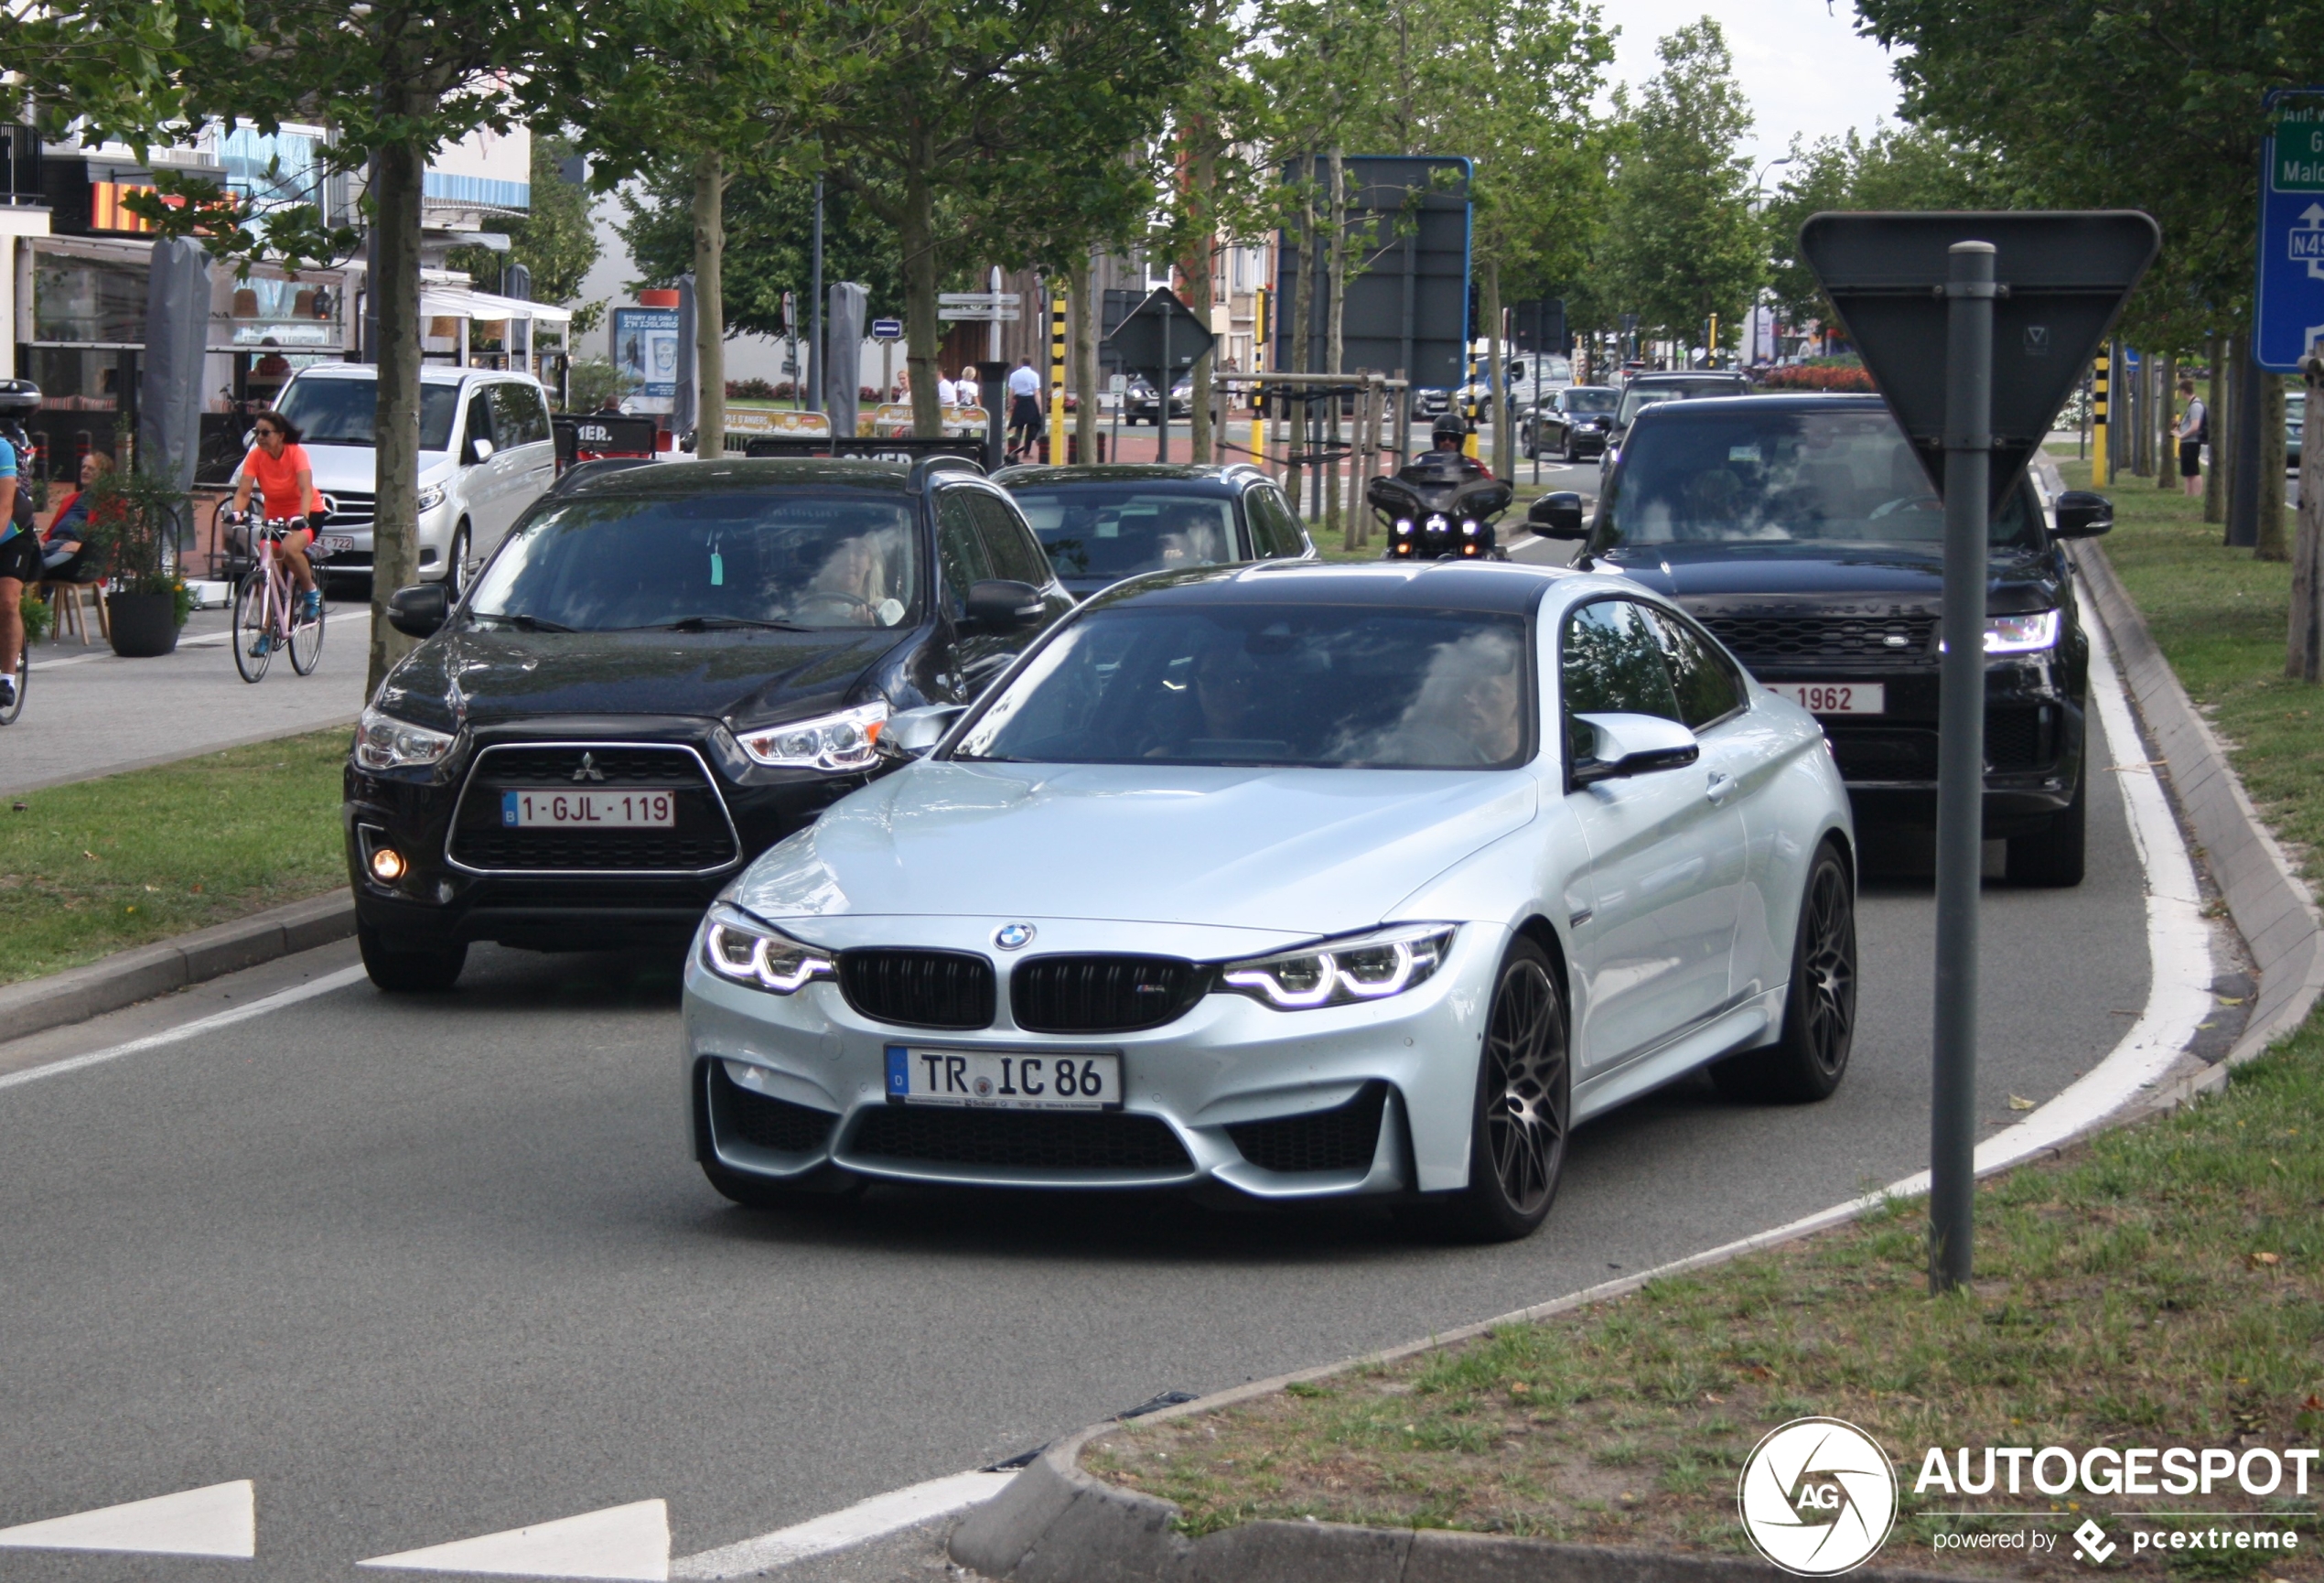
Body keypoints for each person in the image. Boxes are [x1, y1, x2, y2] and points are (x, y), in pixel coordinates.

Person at [230, 408, 328, 654]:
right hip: (274, 517)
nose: (260, 437)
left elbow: (306, 489)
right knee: (266, 562)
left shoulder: (297, 454)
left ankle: (310, 592)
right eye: (257, 432)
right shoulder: (255, 457)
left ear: (281, 435)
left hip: (307, 513)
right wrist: (237, 513)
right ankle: (265, 633)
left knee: (288, 548)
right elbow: (243, 491)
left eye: (265, 432)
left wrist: (302, 518)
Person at [39, 451, 114, 583]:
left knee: (41, 568)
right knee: (20, 567)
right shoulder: (70, 499)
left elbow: (107, 539)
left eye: (90, 468)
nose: (84, 471)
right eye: (83, 467)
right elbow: (51, 529)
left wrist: (81, 547)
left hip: (76, 553)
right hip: (51, 545)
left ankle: (39, 602)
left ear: (103, 474)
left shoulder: (109, 502)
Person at [0, 415, 30, 709]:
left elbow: (5, 507)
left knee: (8, 601)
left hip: (11, 532)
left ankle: (7, 679)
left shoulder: (3, 449)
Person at [1006, 357, 1043, 461]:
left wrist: (1010, 405)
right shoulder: (1034, 375)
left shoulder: (1014, 375)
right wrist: (1039, 408)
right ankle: (1026, 452)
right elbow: (1036, 392)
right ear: (1030, 364)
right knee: (1031, 429)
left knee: (1019, 427)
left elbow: (1011, 392)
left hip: (1019, 401)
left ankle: (1014, 451)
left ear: (1021, 363)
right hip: (1031, 401)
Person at [2176, 377, 2206, 499]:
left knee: (2193, 470)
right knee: (2187, 471)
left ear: (2183, 391)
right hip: (2187, 442)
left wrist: (2181, 435)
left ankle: (2196, 494)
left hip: (2191, 442)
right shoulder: (2192, 405)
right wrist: (2179, 425)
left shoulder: (2195, 406)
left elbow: (2195, 426)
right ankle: (2188, 494)